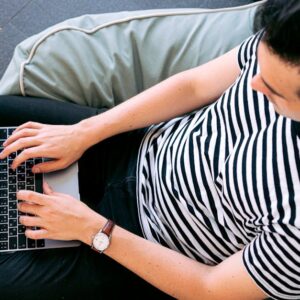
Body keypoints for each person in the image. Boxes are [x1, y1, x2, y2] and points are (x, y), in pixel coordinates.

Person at [0, 0, 299, 299]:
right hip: (133, 144)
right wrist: (82, 133)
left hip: (139, 245)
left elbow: (207, 289)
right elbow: (195, 85)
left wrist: (92, 229)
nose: (255, 83)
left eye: (273, 89)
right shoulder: (287, 39)